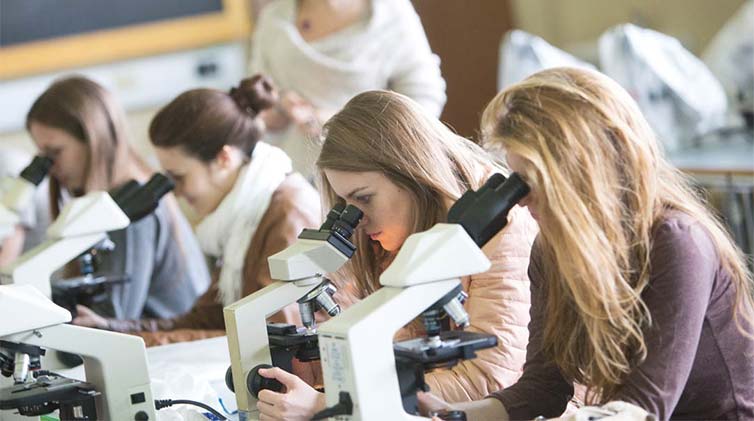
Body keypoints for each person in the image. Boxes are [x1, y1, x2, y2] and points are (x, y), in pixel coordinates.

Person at [418, 67, 754, 420]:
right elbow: (544, 387)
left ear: (582, 172)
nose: (519, 200)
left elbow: (643, 408)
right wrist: (453, 414)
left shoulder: (676, 242)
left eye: (531, 182)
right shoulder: (549, 253)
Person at [254, 90, 539, 420]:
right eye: (348, 205)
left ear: (412, 173)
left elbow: (491, 376)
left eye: (364, 198)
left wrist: (333, 405)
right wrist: (316, 373)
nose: (358, 220)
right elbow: (394, 351)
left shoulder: (499, 227)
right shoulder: (393, 234)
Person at [73, 75, 322, 346]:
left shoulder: (287, 214)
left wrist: (134, 341)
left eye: (178, 178)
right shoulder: (241, 219)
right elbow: (208, 320)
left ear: (223, 159)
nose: (175, 193)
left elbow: (270, 339)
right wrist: (114, 330)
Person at [26, 76, 210, 320]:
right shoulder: (117, 199)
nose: (49, 167)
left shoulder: (132, 209)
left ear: (94, 141)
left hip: (173, 350)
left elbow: (113, 318)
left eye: (55, 152)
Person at [249, 0, 447, 178]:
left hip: (368, 173)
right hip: (290, 176)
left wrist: (342, 123)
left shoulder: (390, 14)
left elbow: (424, 99)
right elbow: (255, 108)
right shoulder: (274, 20)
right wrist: (281, 105)